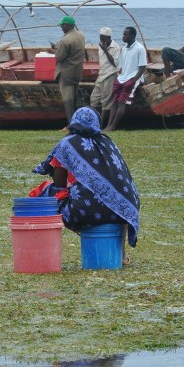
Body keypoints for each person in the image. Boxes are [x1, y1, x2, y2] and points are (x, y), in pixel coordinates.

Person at [32, 106, 140, 248]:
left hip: (85, 214)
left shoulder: (67, 144)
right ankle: (121, 256)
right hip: (122, 215)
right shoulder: (108, 143)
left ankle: (42, 248)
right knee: (119, 199)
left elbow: (59, 182)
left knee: (44, 191)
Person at [104, 26, 146, 132]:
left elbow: (142, 67)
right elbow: (120, 65)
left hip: (133, 78)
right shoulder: (124, 48)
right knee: (115, 101)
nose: (123, 36)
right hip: (122, 77)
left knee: (121, 102)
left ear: (132, 35)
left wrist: (133, 80)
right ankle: (108, 125)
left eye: (125, 34)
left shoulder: (140, 48)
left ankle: (113, 126)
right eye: (123, 34)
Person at [51, 15, 85, 122]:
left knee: (68, 101)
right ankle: (76, 121)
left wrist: (55, 50)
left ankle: (71, 124)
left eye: (62, 25)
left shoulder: (65, 40)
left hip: (66, 74)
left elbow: (59, 57)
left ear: (68, 25)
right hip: (76, 72)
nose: (61, 27)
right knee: (74, 99)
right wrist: (58, 47)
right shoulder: (81, 36)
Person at [90, 27, 121, 122]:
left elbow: (115, 63)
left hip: (110, 76)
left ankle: (101, 125)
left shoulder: (116, 47)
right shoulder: (101, 45)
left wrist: (106, 51)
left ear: (109, 38)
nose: (101, 40)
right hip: (101, 76)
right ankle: (92, 121)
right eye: (100, 38)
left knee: (106, 102)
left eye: (103, 38)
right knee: (93, 99)